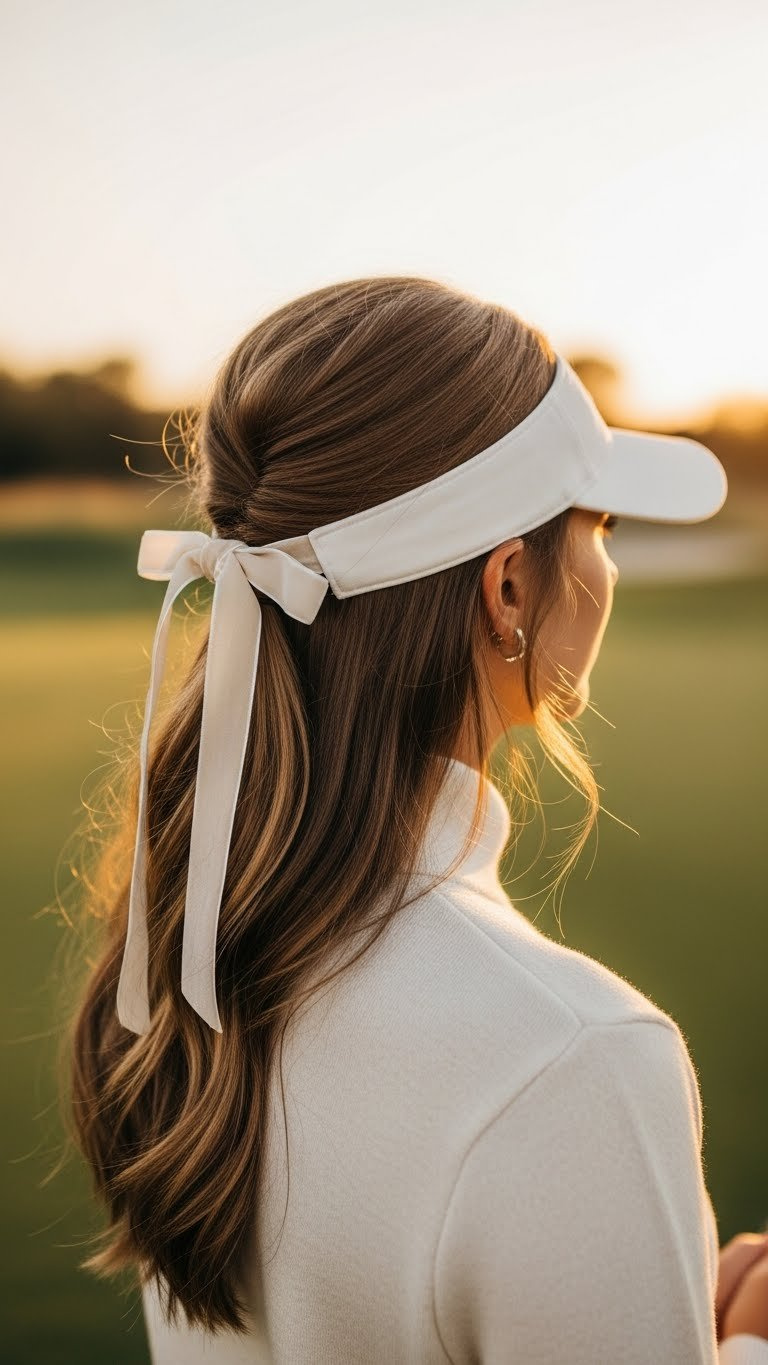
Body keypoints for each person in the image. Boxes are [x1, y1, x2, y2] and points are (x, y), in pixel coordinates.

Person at [68, 276, 768, 1362]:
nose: (610, 562)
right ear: (507, 591)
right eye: (602, 523)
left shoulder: (190, 954)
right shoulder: (578, 1061)